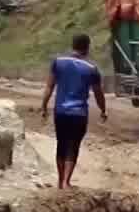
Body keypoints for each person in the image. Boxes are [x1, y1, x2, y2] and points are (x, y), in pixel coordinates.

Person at [39, 32, 106, 189]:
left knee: (61, 143)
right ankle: (66, 181)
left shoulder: (58, 62)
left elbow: (49, 86)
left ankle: (60, 180)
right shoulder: (91, 69)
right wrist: (103, 110)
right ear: (87, 48)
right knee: (73, 145)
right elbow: (98, 93)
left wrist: (43, 106)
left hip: (60, 111)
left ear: (73, 45)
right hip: (79, 113)